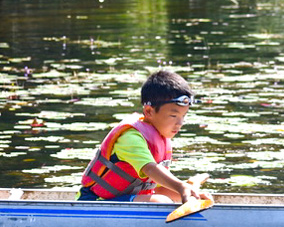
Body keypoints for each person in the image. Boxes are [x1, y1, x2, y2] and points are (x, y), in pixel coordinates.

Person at [78, 70, 214, 204]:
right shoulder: (131, 138)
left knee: (172, 197)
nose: (180, 123)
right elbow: (149, 168)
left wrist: (189, 193)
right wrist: (181, 186)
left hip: (125, 198)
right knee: (161, 202)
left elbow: (157, 187)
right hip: (95, 201)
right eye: (173, 116)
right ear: (149, 111)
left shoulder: (160, 137)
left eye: (183, 116)